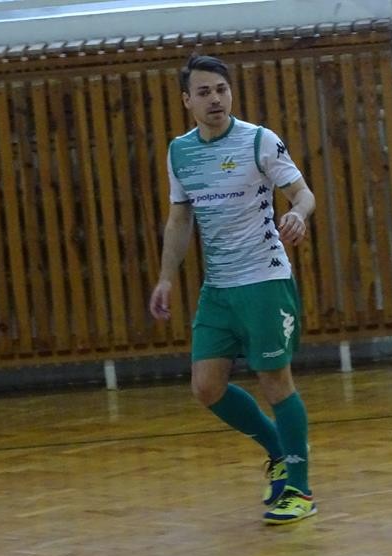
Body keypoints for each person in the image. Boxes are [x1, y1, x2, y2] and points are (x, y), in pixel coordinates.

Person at [149, 54, 317, 525]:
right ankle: (278, 451)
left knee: (275, 382)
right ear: (187, 101)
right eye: (203, 92)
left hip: (264, 280)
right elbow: (180, 218)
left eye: (221, 90)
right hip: (218, 288)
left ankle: (300, 491)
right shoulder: (180, 152)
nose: (215, 99)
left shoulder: (259, 141)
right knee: (206, 387)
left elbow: (303, 194)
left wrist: (297, 214)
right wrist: (165, 277)